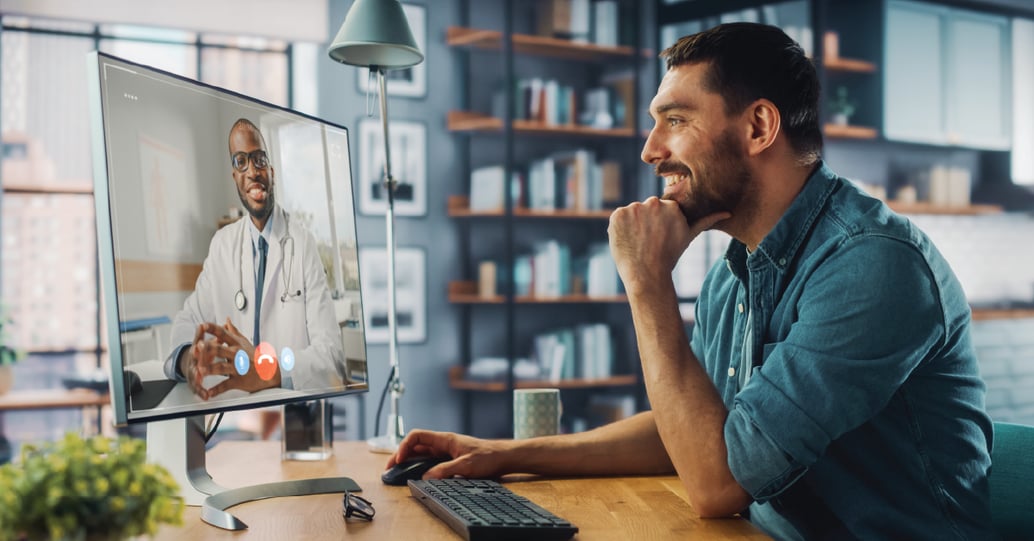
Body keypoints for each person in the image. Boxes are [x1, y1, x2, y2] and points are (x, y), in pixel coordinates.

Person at [388, 23, 995, 540]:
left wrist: (647, 282)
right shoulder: (736, 269)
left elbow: (717, 481)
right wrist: (500, 456)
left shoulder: (871, 265)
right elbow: (697, 433)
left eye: (675, 119)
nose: (651, 149)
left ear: (759, 127)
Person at [163, 118, 346, 401]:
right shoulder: (223, 244)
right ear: (234, 177)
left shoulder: (302, 242)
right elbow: (189, 320)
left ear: (272, 172)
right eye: (241, 162)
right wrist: (189, 358)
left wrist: (267, 369)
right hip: (234, 407)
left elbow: (332, 356)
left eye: (259, 159)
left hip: (289, 407)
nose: (252, 171)